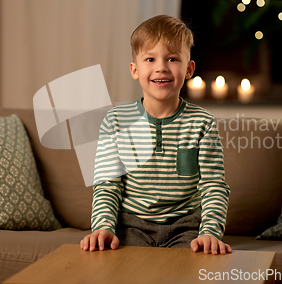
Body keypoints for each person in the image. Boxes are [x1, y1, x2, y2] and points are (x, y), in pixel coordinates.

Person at [80, 15, 231, 254]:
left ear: (189, 69)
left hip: (187, 227)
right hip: (131, 225)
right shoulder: (116, 121)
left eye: (172, 58)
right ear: (135, 70)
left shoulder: (203, 122)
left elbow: (213, 186)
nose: (161, 67)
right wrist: (103, 226)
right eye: (150, 59)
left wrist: (209, 233)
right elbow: (107, 185)